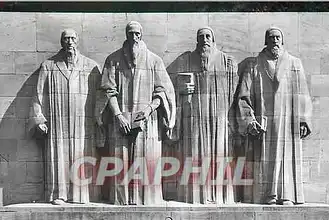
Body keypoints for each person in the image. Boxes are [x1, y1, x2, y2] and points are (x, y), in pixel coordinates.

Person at [96, 21, 176, 205]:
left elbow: (162, 92)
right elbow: (108, 90)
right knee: (120, 163)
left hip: (148, 121)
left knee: (147, 162)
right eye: (130, 34)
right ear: (126, 35)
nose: (134, 37)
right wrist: (118, 115)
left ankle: (147, 199)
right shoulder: (113, 60)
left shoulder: (154, 60)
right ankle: (122, 200)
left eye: (137, 34)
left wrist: (148, 110)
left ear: (141, 35)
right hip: (120, 120)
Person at [230, 27, 312, 205]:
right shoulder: (254, 65)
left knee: (285, 157)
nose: (275, 40)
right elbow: (243, 96)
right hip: (263, 121)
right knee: (264, 157)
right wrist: (249, 120)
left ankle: (286, 194)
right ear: (266, 41)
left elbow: (303, 94)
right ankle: (267, 195)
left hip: (287, 120)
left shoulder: (294, 63)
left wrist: (303, 118)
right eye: (271, 37)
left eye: (278, 37)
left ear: (282, 41)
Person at [29, 28, 101, 205]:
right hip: (57, 120)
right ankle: (59, 194)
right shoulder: (49, 66)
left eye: (72, 38)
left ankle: (82, 195)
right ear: (62, 42)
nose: (69, 42)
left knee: (81, 154)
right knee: (59, 156)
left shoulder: (90, 66)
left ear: (77, 41)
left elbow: (101, 96)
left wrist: (100, 119)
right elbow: (39, 94)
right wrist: (39, 118)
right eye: (66, 39)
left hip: (83, 121)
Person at [167, 27, 236, 204]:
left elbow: (235, 94)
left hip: (219, 117)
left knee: (218, 153)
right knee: (195, 153)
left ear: (213, 39)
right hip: (194, 116)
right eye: (201, 37)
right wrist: (180, 89)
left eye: (208, 36)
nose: (204, 40)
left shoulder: (227, 61)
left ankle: (218, 195)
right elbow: (166, 82)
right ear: (197, 41)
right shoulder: (185, 60)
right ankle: (195, 195)